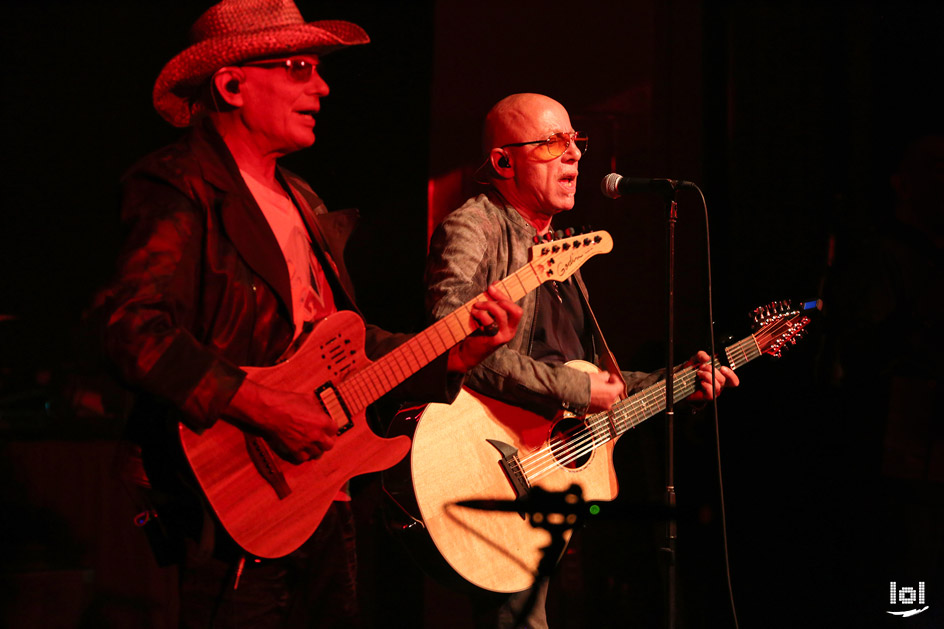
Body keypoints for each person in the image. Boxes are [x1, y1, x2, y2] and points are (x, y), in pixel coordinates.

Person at [86, 1, 521, 627]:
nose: (321, 86)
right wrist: (262, 406)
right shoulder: (179, 185)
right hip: (232, 502)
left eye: (317, 69)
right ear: (232, 84)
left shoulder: (303, 199)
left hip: (324, 495)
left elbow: (343, 341)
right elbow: (129, 326)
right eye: (298, 67)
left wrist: (454, 351)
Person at [423, 93, 739, 628]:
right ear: (503, 161)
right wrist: (574, 392)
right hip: (494, 460)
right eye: (551, 143)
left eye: (575, 141)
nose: (573, 155)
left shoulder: (562, 250)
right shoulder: (474, 227)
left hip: (554, 471)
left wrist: (682, 380)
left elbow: (596, 378)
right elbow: (449, 345)